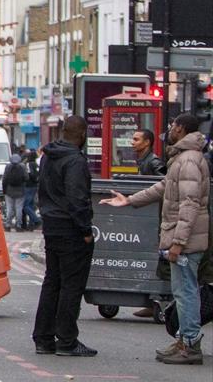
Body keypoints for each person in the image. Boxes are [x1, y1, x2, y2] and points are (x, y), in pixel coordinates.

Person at [101, 113, 209, 365]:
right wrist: (129, 200)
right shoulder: (183, 159)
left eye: (172, 125)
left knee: (186, 293)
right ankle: (184, 339)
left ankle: (190, 344)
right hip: (182, 237)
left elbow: (190, 204)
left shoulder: (189, 160)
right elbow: (163, 187)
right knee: (183, 291)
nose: (169, 129)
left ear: (181, 129)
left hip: (185, 240)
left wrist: (179, 242)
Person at [32, 115, 97, 357]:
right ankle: (67, 340)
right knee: (71, 285)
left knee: (52, 282)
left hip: (51, 226)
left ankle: (43, 338)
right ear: (82, 135)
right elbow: (77, 198)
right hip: (71, 229)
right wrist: (86, 230)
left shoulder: (48, 156)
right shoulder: (75, 161)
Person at [2, 153, 27, 231]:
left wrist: (4, 190)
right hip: (20, 190)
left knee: (9, 208)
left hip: (9, 190)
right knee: (19, 208)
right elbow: (26, 178)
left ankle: (8, 224)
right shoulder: (23, 166)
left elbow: (4, 179)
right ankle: (18, 225)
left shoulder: (8, 167)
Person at [21, 150, 41, 230]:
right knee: (31, 205)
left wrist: (28, 178)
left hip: (28, 185)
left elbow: (31, 174)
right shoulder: (36, 164)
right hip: (35, 185)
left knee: (25, 205)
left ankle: (36, 220)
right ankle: (31, 224)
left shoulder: (29, 164)